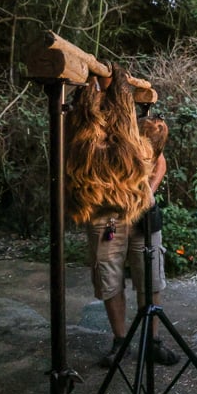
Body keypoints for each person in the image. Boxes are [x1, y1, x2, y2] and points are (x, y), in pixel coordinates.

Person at [65, 65, 177, 367]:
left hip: (140, 211)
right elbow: (94, 119)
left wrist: (149, 191)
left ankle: (152, 341)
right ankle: (120, 341)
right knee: (109, 278)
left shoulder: (136, 130)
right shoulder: (89, 131)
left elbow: (160, 162)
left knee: (150, 277)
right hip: (104, 214)